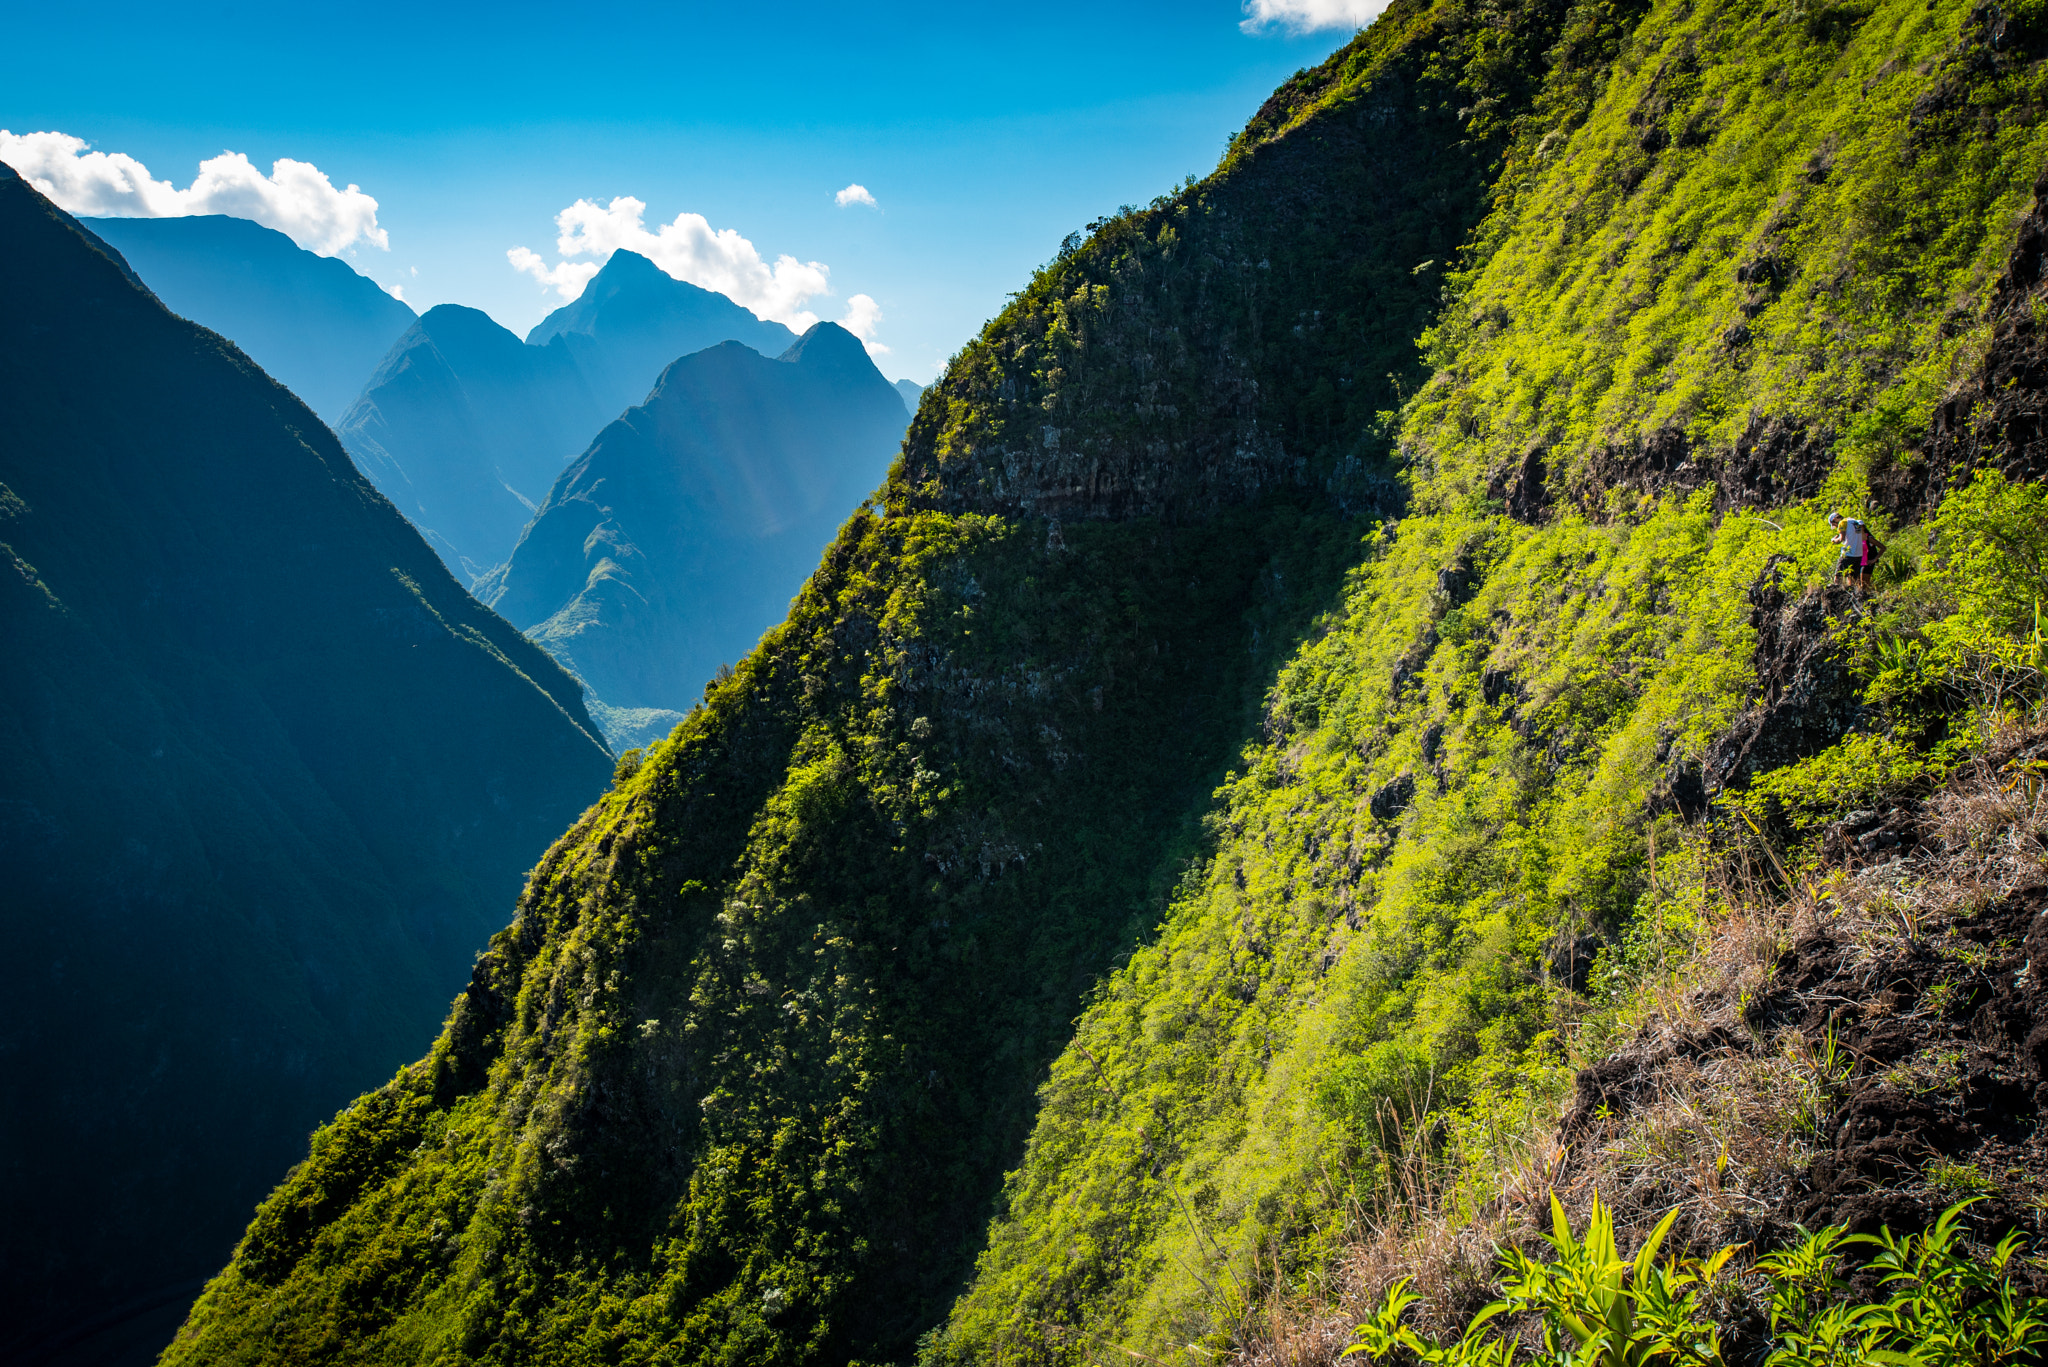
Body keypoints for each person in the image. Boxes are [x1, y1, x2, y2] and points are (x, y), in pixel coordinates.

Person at [1828, 510, 1874, 592]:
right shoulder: (1856, 522)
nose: (1836, 526)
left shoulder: (1842, 523)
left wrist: (1834, 540)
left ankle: (1837, 594)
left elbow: (1841, 539)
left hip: (1848, 554)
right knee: (1854, 579)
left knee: (1838, 577)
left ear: (1835, 519)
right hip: (1858, 554)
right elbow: (1864, 537)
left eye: (1834, 524)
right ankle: (1854, 594)